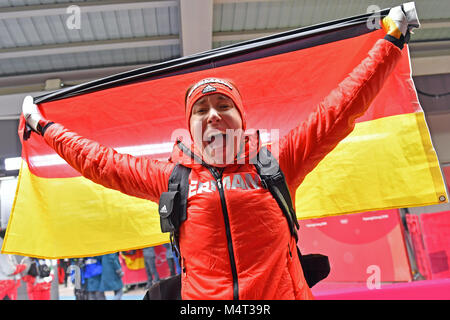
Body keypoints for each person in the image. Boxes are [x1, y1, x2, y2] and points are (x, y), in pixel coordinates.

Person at [21, 5, 420, 300]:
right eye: (201, 109)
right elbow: (98, 161)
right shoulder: (171, 178)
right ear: (191, 127)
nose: (213, 115)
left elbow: (341, 107)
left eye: (223, 106)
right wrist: (44, 126)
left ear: (240, 118)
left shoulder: (278, 162)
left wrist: (392, 40)